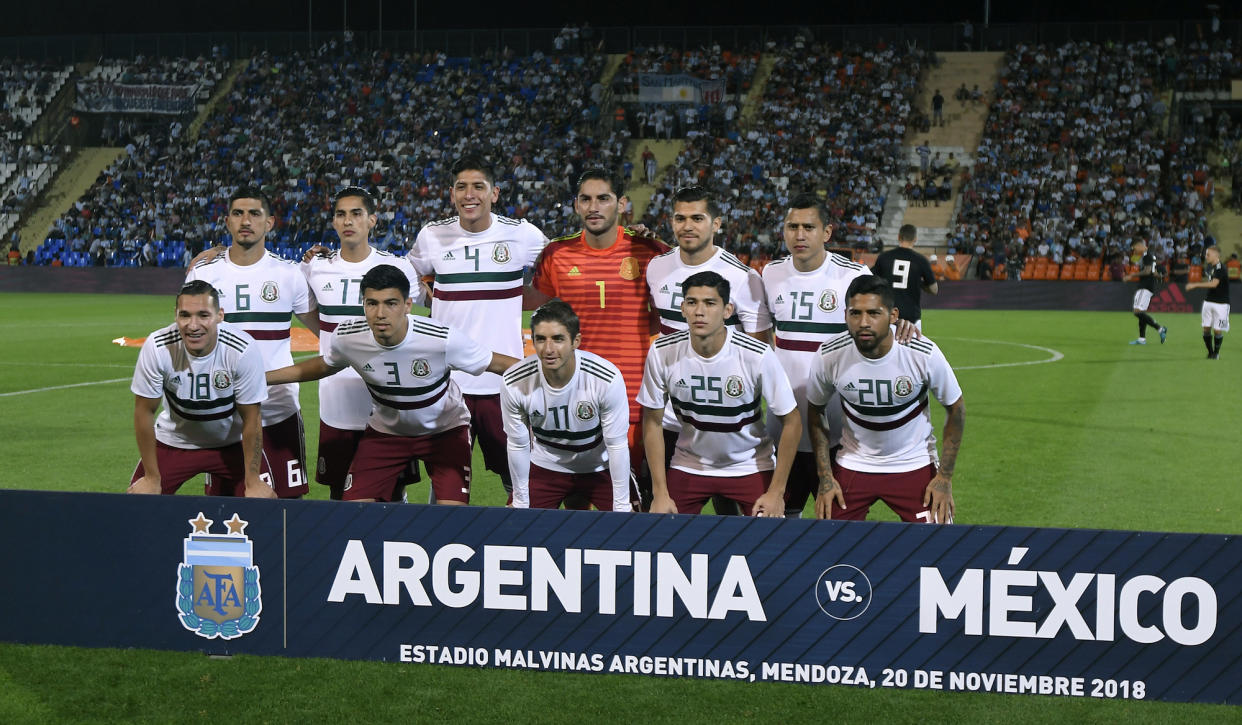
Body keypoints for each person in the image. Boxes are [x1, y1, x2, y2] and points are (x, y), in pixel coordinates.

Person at [265, 265, 519, 503]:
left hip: (444, 431)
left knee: (450, 514)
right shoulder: (348, 338)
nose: (380, 313)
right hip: (387, 433)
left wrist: (552, 377)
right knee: (354, 511)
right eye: (372, 304)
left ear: (408, 305)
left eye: (391, 303)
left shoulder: (441, 339)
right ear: (363, 304)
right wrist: (264, 377)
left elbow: (497, 363)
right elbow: (323, 365)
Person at [410, 156, 548, 501]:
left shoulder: (522, 235)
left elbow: (558, 271)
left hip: (504, 382)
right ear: (452, 194)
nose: (469, 195)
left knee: (517, 480)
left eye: (478, 187)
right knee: (445, 482)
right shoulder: (432, 235)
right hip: (446, 383)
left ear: (495, 193)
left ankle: (520, 545)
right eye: (461, 187)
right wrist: (433, 297)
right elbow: (408, 276)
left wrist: (518, 297)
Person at [531, 168, 669, 504]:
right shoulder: (556, 255)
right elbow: (547, 315)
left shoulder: (651, 251)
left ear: (621, 204)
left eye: (603, 199)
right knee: (572, 506)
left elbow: (663, 319)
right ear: (576, 205)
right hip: (569, 400)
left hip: (634, 401)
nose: (594, 207)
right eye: (586, 199)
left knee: (631, 506)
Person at [647, 184, 772, 515]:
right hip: (670, 417)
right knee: (668, 511)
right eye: (680, 218)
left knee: (729, 512)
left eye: (697, 218)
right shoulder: (656, 268)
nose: (687, 226)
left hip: (722, 414)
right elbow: (659, 329)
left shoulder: (743, 277)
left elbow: (760, 346)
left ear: (717, 224)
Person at [185, 187, 318, 498]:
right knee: (225, 509)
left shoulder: (290, 275)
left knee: (289, 508)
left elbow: (327, 331)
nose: (246, 220)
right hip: (223, 414)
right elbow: (188, 339)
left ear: (269, 223)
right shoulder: (204, 274)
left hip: (277, 410)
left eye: (254, 214)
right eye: (238, 213)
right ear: (227, 222)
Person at [637, 271, 800, 517]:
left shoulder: (756, 354)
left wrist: (776, 492)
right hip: (689, 464)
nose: (699, 311)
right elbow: (652, 421)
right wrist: (660, 493)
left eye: (710, 303)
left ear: (727, 310)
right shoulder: (662, 351)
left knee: (767, 544)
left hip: (748, 465)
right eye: (692, 302)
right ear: (682, 308)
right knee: (664, 534)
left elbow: (793, 421)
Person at [807, 276, 964, 525]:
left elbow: (956, 409)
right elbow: (815, 413)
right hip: (854, 463)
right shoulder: (830, 355)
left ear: (893, 315)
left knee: (939, 545)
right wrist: (825, 477)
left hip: (914, 463)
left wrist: (944, 478)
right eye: (855, 313)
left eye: (874, 313)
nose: (864, 322)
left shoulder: (922, 353)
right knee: (830, 544)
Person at [303, 187, 422, 499]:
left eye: (356, 214)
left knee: (393, 496)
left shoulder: (399, 268)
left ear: (372, 220)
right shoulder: (315, 266)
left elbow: (425, 309)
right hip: (336, 402)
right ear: (333, 221)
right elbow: (306, 312)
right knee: (338, 496)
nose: (348, 221)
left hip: (387, 402)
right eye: (341, 214)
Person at [762, 194, 872, 518]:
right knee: (780, 518)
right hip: (783, 421)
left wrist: (905, 322)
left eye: (808, 227)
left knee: (837, 523)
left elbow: (880, 325)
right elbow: (758, 341)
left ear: (826, 232)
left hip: (838, 423)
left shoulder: (853, 275)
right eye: (792, 226)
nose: (799, 234)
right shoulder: (770, 274)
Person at [128, 281, 275, 498]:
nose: (193, 325)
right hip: (174, 441)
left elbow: (251, 417)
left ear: (219, 316)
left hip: (232, 444)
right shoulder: (158, 347)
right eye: (185, 315)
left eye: (203, 315)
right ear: (176, 315)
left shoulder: (242, 348)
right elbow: (144, 411)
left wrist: (252, 480)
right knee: (136, 504)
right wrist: (151, 477)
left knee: (262, 508)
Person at [500, 300, 632, 511]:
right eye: (541, 339)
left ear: (575, 341)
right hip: (546, 466)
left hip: (599, 467)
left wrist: (622, 506)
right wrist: (521, 503)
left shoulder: (605, 378)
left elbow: (617, 445)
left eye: (558, 339)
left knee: (633, 530)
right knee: (514, 527)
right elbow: (518, 444)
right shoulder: (514, 381)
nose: (549, 349)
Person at [872, 224, 938, 330]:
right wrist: (918, 283)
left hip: (887, 315)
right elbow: (934, 289)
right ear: (915, 239)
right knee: (912, 346)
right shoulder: (921, 260)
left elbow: (872, 280)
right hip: (911, 318)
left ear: (899, 237)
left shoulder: (884, 257)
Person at [1186, 245, 1230, 359]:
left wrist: (1195, 284)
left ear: (1216, 255)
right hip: (1208, 302)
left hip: (1221, 304)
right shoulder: (1211, 267)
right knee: (1206, 328)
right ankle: (1210, 353)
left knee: (1217, 330)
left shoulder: (1221, 268)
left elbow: (1214, 284)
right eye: (1206, 254)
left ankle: (1216, 353)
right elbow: (1210, 280)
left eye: (1208, 254)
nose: (1206, 257)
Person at [1124, 239, 1167, 345]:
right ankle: (1142, 339)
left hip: (1145, 286)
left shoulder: (1147, 256)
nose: (1134, 250)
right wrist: (1159, 276)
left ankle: (1160, 329)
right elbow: (1153, 272)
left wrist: (1131, 275)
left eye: (1135, 248)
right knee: (1141, 312)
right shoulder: (1150, 256)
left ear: (1140, 245)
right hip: (1148, 286)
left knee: (1137, 311)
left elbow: (1147, 271)